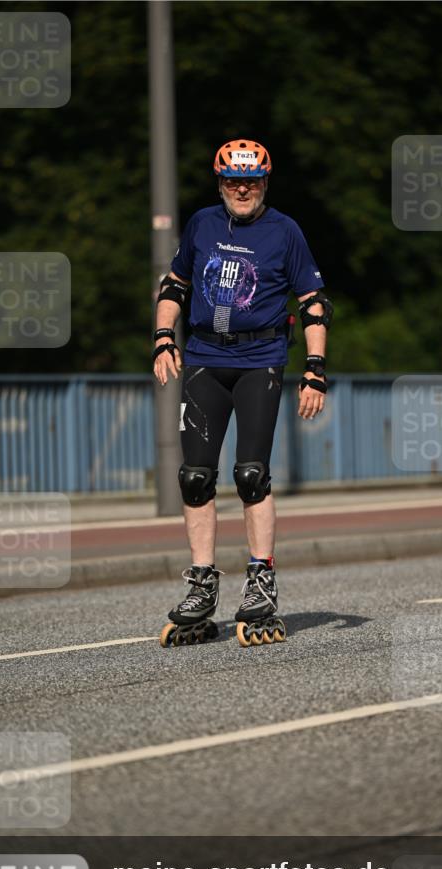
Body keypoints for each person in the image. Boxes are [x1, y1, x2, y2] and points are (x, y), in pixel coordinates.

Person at [152, 139, 333, 646]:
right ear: (220, 183)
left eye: (251, 180)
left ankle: (260, 579)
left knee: (251, 473)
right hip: (207, 360)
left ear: (265, 183)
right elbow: (174, 285)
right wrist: (164, 338)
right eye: (233, 180)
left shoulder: (285, 231)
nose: (242, 188)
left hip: (260, 361)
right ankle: (203, 584)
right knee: (194, 477)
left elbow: (314, 302)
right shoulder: (203, 224)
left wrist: (314, 369)